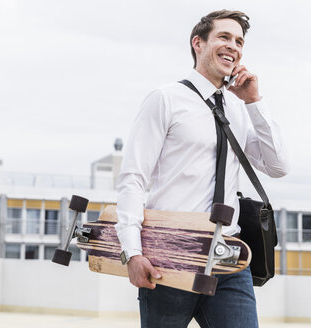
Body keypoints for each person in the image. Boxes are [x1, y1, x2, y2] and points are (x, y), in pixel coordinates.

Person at [115, 9, 290, 328]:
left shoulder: (238, 108)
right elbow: (133, 178)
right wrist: (132, 251)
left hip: (228, 256)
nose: (233, 46)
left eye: (239, 41)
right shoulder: (166, 99)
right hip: (170, 254)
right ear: (198, 43)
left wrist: (254, 101)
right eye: (224, 37)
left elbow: (278, 166)